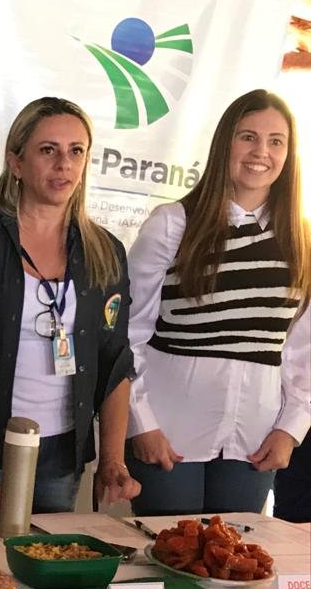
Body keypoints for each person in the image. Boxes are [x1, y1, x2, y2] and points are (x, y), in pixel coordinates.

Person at [0, 97, 141, 524]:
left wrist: (113, 459)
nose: (64, 164)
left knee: (40, 575)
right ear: (17, 162)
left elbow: (115, 360)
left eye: (75, 151)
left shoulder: (106, 250)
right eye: (48, 150)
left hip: (60, 455)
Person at [127, 90, 309, 516]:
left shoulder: (301, 241)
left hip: (255, 441)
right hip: (169, 434)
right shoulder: (173, 224)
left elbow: (303, 353)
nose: (261, 152)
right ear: (225, 142)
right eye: (248, 136)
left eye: (276, 141)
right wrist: (141, 423)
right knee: (171, 560)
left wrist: (291, 429)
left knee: (233, 570)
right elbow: (127, 335)